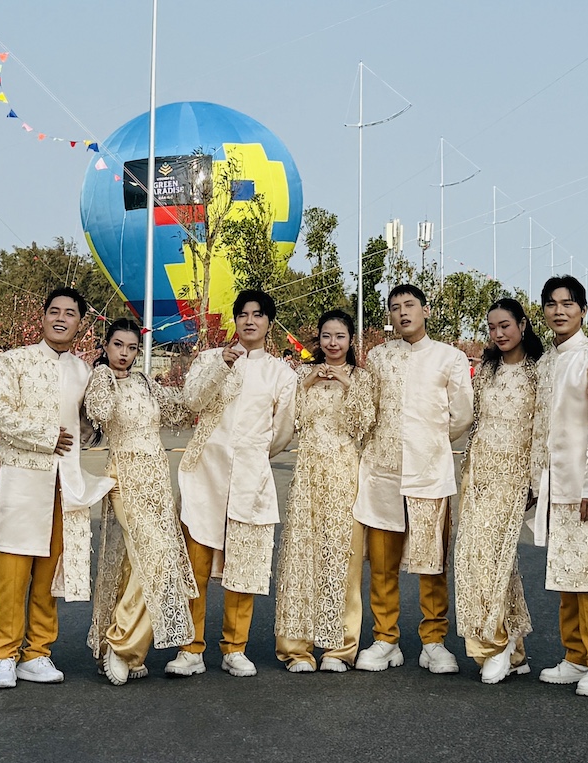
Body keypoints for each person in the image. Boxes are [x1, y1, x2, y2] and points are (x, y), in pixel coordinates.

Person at [0, 287, 113, 690]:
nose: (60, 318)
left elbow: (89, 428)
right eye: (54, 311)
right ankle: (5, 655)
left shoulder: (83, 371)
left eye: (69, 313)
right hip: (20, 481)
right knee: (13, 573)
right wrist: (44, 436)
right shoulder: (13, 361)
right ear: (42, 318)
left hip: (63, 483)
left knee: (48, 573)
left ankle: (38, 653)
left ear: (79, 323)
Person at [171, 288, 298, 678]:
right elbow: (191, 401)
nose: (249, 321)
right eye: (242, 314)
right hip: (204, 473)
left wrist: (254, 454)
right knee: (196, 565)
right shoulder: (210, 358)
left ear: (268, 323)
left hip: (250, 476)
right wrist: (220, 366)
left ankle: (235, 647)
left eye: (257, 314)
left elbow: (283, 430)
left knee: (244, 565)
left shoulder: (281, 372)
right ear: (234, 321)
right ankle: (190, 648)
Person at [354, 282, 474, 675]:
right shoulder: (377, 357)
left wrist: (430, 443)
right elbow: (366, 409)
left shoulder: (449, 358)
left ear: (425, 310)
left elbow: (462, 415)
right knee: (383, 565)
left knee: (431, 563)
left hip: (429, 475)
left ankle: (434, 641)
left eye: (409, 305)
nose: (402, 312)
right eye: (394, 307)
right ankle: (385, 639)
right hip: (382, 473)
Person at [83, 318, 196, 685]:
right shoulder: (102, 378)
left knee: (146, 563)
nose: (125, 354)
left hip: (157, 480)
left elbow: (180, 409)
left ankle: (129, 651)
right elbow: (98, 412)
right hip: (124, 478)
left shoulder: (145, 381)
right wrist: (103, 374)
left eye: (132, 348)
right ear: (106, 344)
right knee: (156, 559)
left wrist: (216, 373)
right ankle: (121, 643)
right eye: (118, 346)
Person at [528, 275, 588, 697]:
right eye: (551, 304)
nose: (559, 311)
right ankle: (575, 655)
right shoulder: (547, 361)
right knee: (565, 573)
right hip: (553, 483)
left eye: (567, 303)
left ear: (583, 309)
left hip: (584, 486)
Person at [275, 309, 376, 672]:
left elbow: (366, 423)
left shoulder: (362, 379)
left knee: (342, 557)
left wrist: (347, 384)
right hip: (308, 473)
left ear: (351, 341)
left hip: (344, 473)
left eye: (340, 337)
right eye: (327, 337)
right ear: (318, 340)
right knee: (302, 555)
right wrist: (306, 383)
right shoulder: (303, 375)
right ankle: (295, 648)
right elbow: (288, 417)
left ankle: (340, 647)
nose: (333, 344)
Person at [452, 298, 542, 683]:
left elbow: (543, 428)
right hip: (479, 473)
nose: (498, 333)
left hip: (514, 475)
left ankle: (497, 643)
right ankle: (512, 647)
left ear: (522, 324)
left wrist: (536, 481)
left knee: (494, 559)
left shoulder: (538, 371)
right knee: (474, 556)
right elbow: (472, 419)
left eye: (505, 325)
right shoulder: (486, 370)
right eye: (491, 327)